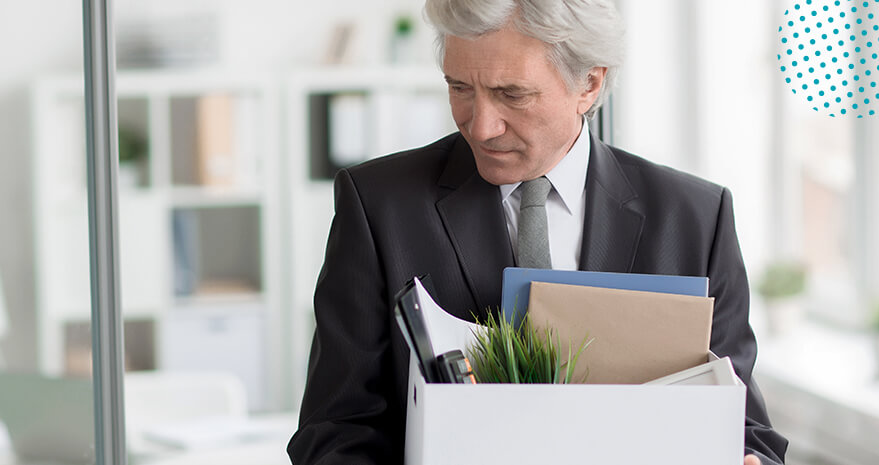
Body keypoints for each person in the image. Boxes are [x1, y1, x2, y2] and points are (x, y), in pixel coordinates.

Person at [287, 0, 789, 464]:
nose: (480, 126)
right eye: (459, 87)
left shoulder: (697, 217)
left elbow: (745, 428)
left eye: (512, 94)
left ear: (590, 84)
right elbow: (334, 429)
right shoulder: (379, 204)